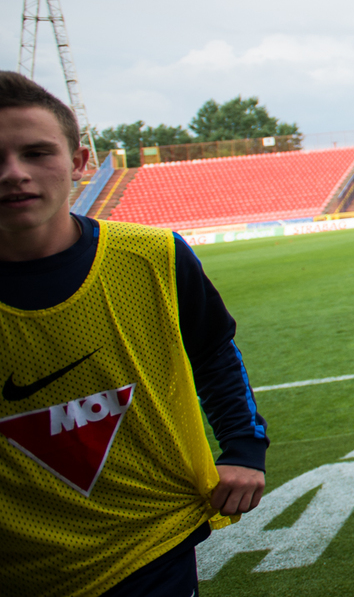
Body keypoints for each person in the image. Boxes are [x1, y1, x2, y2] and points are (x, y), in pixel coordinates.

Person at [0, 71, 269, 597]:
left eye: (36, 153)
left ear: (79, 162)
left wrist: (242, 448)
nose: (14, 174)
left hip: (150, 541)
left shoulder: (154, 256)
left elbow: (214, 352)